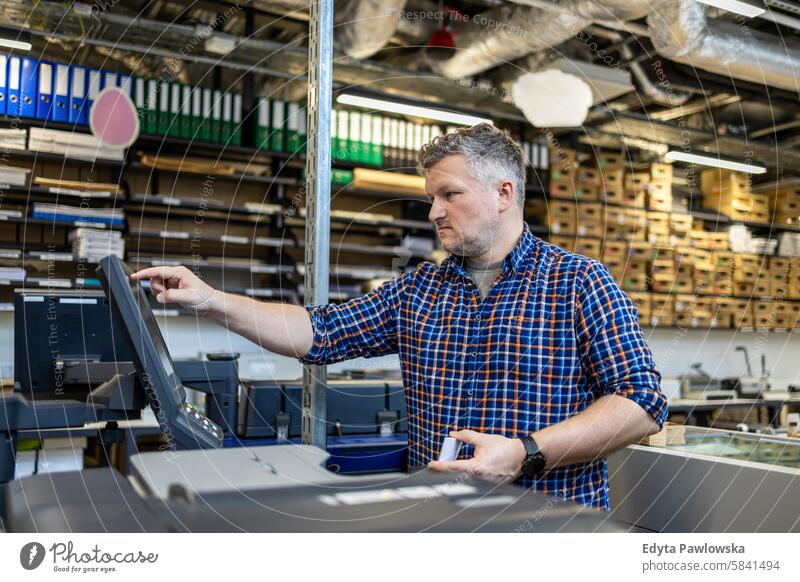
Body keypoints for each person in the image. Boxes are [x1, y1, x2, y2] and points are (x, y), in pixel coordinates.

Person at [131, 123, 667, 511]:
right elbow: (317, 332)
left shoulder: (580, 282)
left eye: (449, 195)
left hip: (547, 530)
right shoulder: (418, 291)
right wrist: (208, 299)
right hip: (440, 523)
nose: (434, 211)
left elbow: (641, 402)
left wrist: (525, 453)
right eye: (432, 197)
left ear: (504, 193)